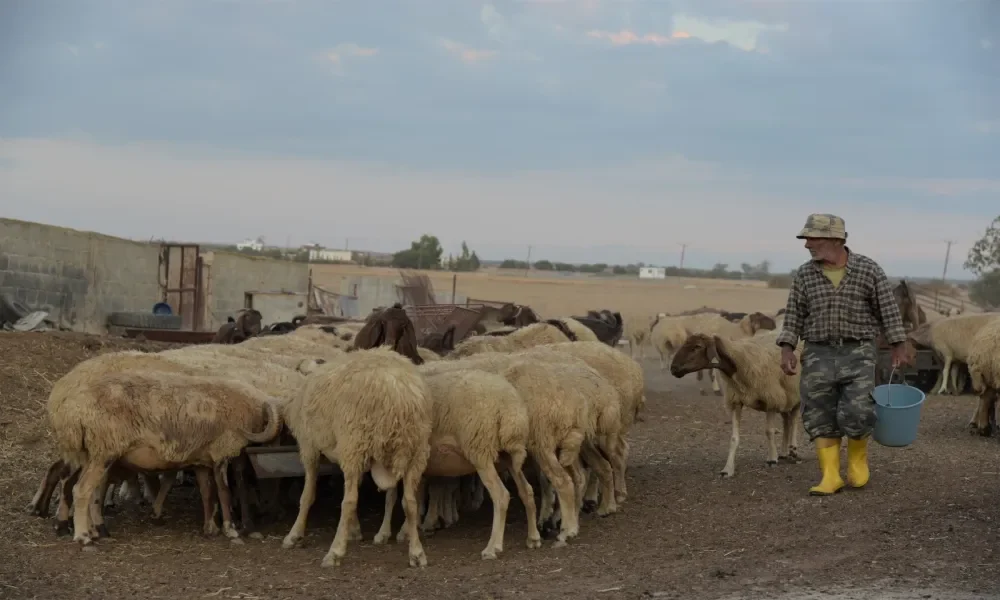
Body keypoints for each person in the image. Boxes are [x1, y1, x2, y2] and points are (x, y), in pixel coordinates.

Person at [776, 213, 909, 496]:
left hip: (858, 352)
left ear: (836, 239)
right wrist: (787, 348)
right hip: (817, 353)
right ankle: (830, 475)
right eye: (806, 238)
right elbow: (794, 315)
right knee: (818, 412)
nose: (807, 244)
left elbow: (888, 309)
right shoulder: (804, 274)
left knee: (859, 410)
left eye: (813, 238)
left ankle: (858, 463)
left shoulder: (868, 270)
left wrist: (898, 343)